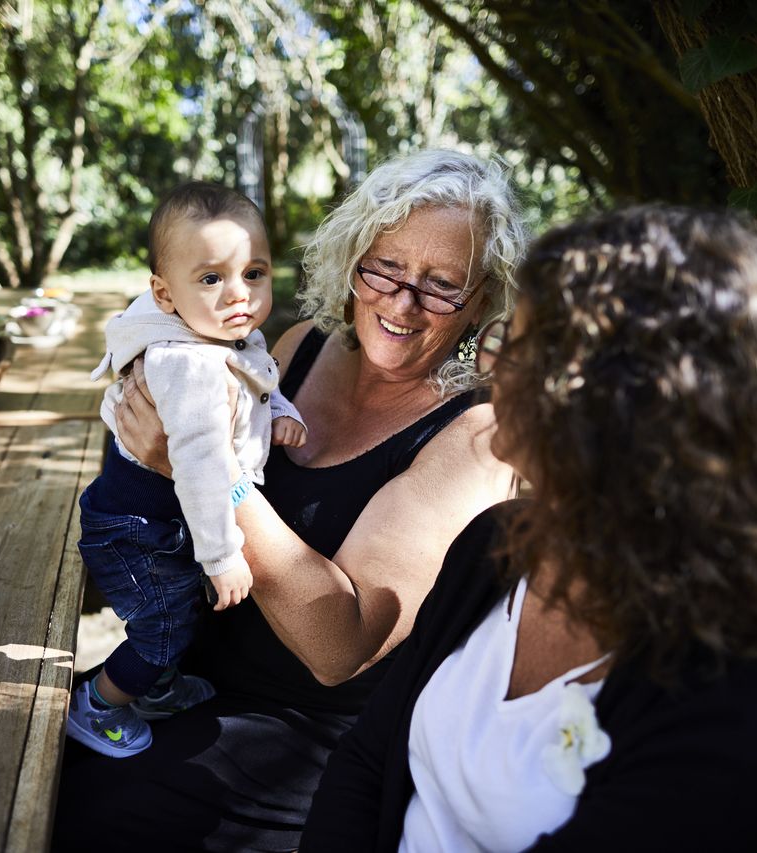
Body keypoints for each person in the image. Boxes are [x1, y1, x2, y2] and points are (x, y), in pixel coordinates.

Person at [301, 205, 757, 852]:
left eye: (528, 348)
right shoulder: (495, 545)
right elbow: (368, 759)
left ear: (638, 402)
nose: (495, 370)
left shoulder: (755, 706)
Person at [54, 150, 526, 851]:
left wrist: (204, 472)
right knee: (18, 744)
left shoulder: (478, 435)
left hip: (300, 733)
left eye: (441, 285)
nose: (402, 302)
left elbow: (341, 648)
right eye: (386, 269)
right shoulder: (301, 345)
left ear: (482, 299)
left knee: (74, 809)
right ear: (353, 258)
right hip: (186, 667)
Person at [67, 182, 308, 758]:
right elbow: (200, 467)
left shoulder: (223, 330)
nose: (239, 295)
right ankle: (96, 705)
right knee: (164, 629)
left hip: (155, 520)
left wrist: (281, 410)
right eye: (211, 278)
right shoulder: (189, 365)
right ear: (164, 293)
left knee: (177, 613)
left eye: (254, 273)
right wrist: (223, 557)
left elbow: (256, 376)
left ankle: (158, 689)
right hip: (137, 528)